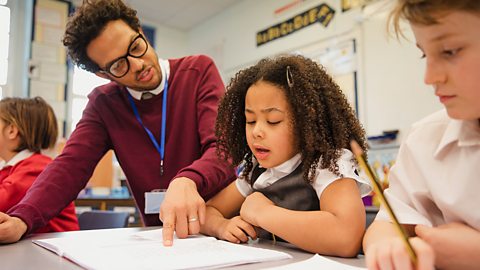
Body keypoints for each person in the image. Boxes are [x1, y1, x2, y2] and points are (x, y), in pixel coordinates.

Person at [0, 0, 235, 245]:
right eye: (118, 65)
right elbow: (69, 167)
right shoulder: (104, 104)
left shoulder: (197, 71)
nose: (138, 64)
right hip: (162, 241)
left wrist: (188, 180)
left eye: (135, 46)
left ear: (140, 31)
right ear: (103, 74)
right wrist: (22, 219)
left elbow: (224, 148)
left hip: (222, 228)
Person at [200, 55, 372, 256]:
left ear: (306, 121)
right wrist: (221, 226)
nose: (257, 132)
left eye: (273, 121)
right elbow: (206, 211)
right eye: (250, 120)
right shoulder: (256, 172)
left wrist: (263, 213)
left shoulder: (328, 164)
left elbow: (346, 237)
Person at [363, 1, 480, 269]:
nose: (429, 77)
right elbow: (386, 225)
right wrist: (388, 247)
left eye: (449, 51)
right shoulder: (424, 140)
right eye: (424, 55)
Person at [0, 97, 79, 233]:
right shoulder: (9, 167)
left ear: (12, 131)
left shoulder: (38, 167)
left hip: (54, 250)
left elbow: (3, 202)